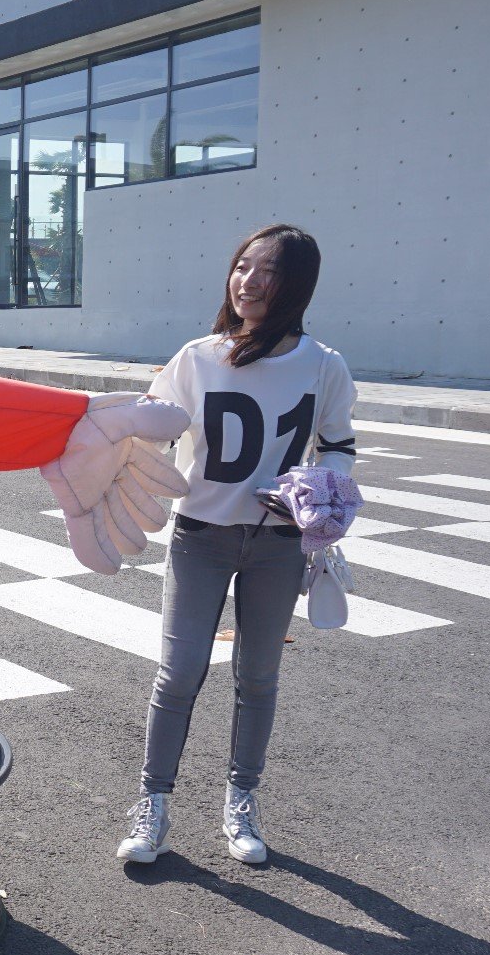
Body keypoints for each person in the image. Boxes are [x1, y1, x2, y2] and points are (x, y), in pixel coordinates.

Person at [117, 223, 357, 867]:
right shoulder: (197, 358)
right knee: (178, 673)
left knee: (258, 675)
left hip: (280, 544)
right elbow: (151, 432)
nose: (248, 281)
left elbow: (338, 444)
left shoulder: (324, 365)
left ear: (296, 285)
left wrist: (321, 490)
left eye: (268, 271)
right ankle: (152, 804)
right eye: (243, 266)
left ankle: (241, 800)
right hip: (200, 537)